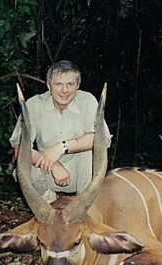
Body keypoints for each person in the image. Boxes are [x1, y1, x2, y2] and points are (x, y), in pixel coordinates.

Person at [10, 60, 111, 202]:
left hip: (81, 176)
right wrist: (53, 164)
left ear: (77, 86)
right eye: (58, 84)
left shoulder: (87, 101)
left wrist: (61, 147)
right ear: (48, 86)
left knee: (90, 150)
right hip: (47, 173)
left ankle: (85, 207)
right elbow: (19, 148)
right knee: (23, 169)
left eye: (70, 84)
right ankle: (51, 203)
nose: (65, 90)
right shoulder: (34, 105)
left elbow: (103, 140)